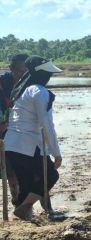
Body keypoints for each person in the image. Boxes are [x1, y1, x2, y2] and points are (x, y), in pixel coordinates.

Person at [5, 56, 63, 220]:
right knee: (51, 175)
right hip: (28, 146)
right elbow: (47, 124)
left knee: (25, 183)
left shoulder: (22, 89)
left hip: (12, 145)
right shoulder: (39, 91)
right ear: (43, 75)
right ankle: (25, 208)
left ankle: (23, 217)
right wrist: (56, 152)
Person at [0, 54, 28, 207]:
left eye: (26, 72)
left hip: (21, 131)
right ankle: (17, 200)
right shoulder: (2, 83)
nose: (22, 75)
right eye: (19, 71)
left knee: (21, 167)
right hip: (3, 130)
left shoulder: (29, 85)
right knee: (9, 168)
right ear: (11, 69)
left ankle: (20, 201)